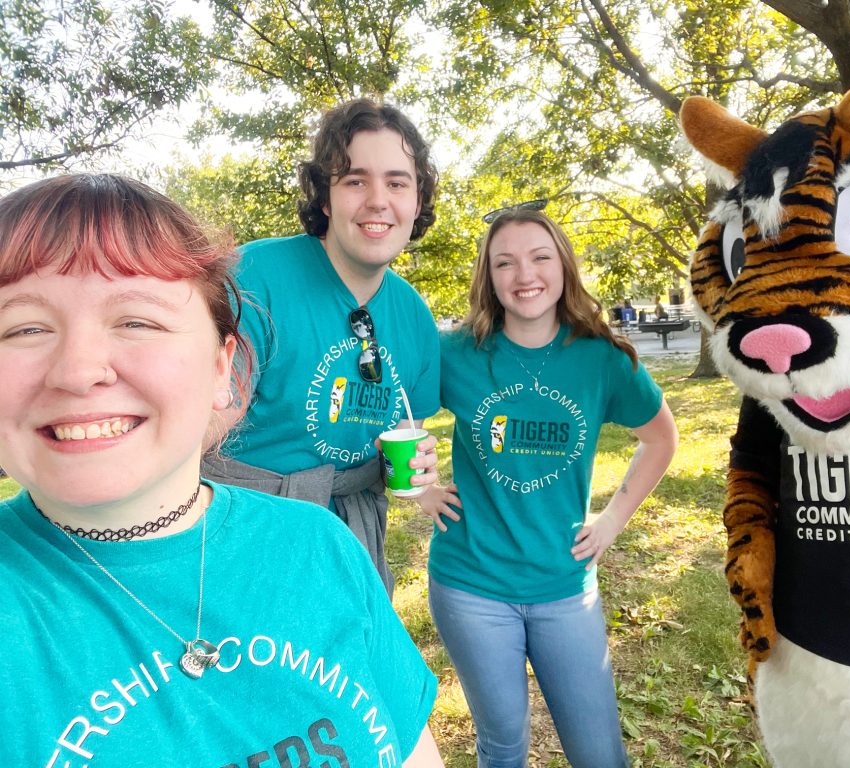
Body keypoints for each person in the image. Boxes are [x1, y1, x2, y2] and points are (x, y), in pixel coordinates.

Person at [0, 174, 443, 766]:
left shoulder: (322, 546)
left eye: (136, 321)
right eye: (24, 328)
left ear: (222, 369)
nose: (77, 371)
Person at [417, 208, 679, 767]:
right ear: (488, 277)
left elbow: (660, 439)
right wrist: (420, 488)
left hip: (565, 584)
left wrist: (612, 521)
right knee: (503, 746)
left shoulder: (602, 358)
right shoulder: (456, 352)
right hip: (470, 584)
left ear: (563, 266)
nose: (524, 275)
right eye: (504, 263)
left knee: (599, 753)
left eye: (540, 257)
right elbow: (399, 415)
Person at [203, 99, 441, 595]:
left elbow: (403, 428)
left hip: (350, 538)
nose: (378, 201)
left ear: (417, 201)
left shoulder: (414, 315)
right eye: (355, 181)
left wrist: (418, 466)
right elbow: (206, 418)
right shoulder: (255, 277)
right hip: (239, 529)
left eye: (398, 183)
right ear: (326, 198)